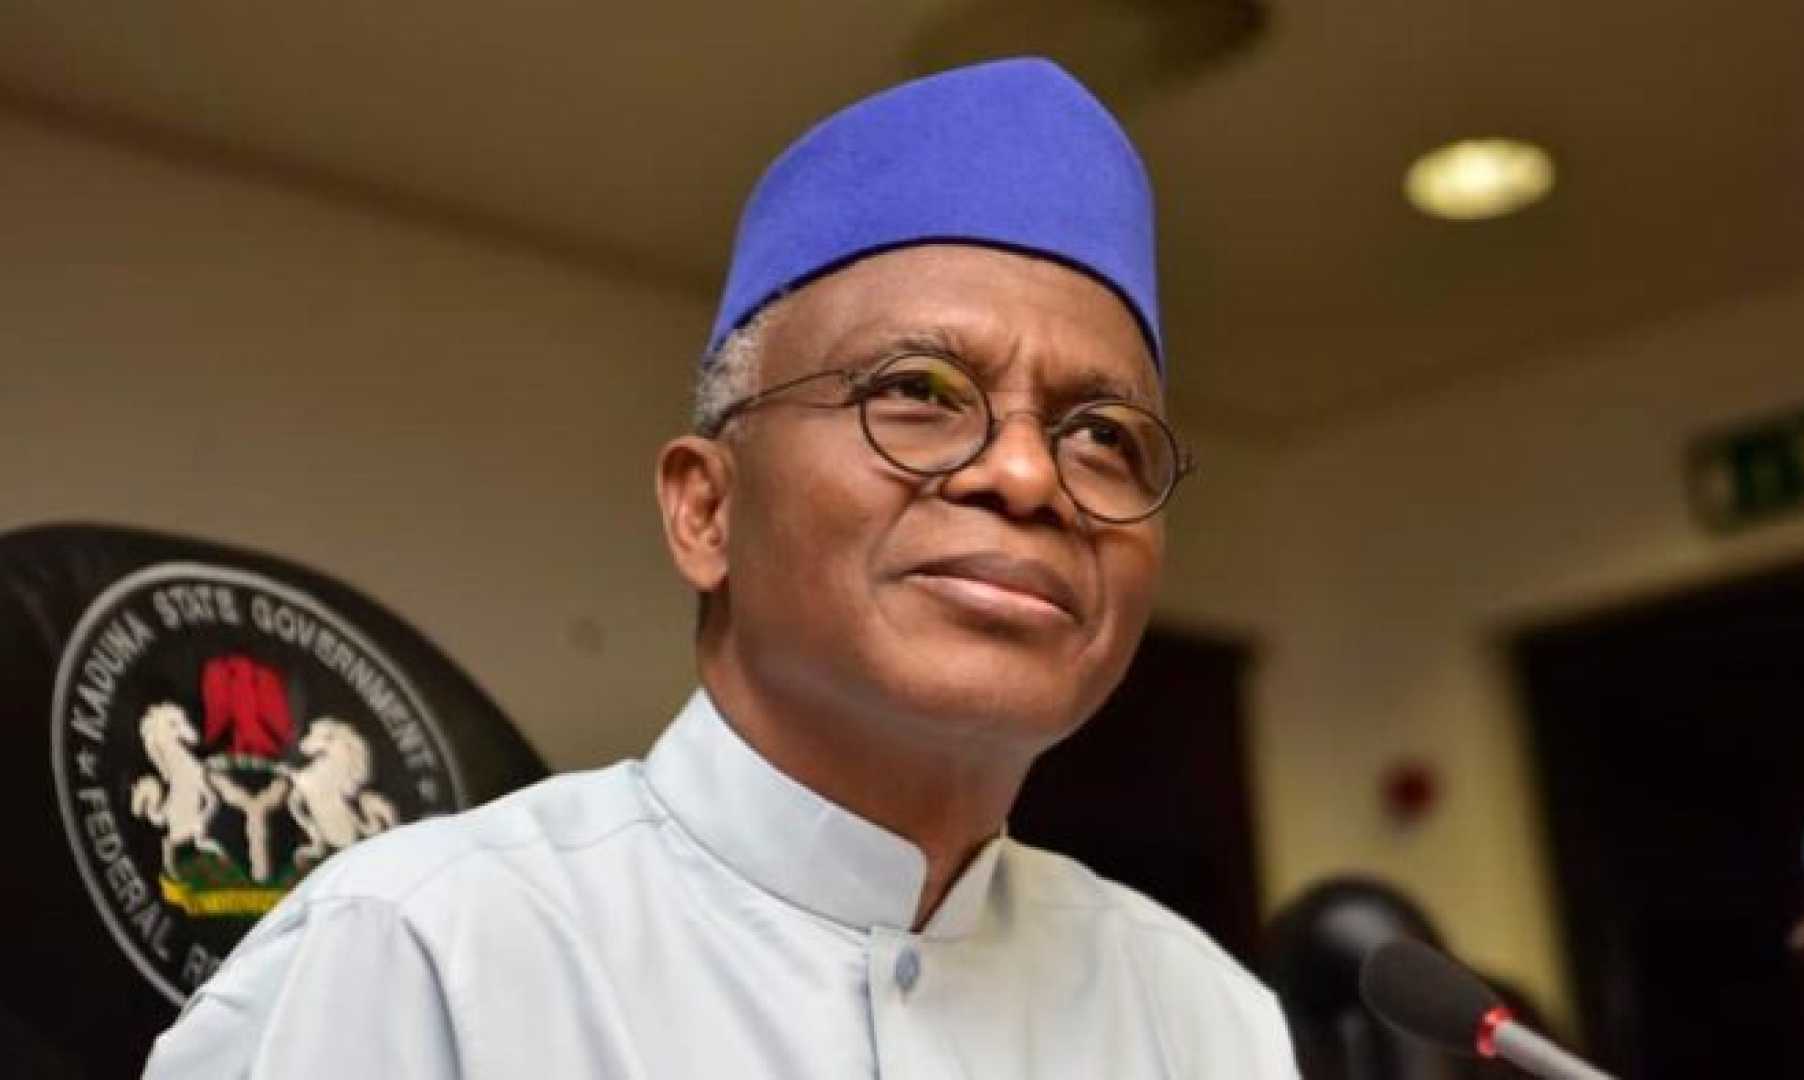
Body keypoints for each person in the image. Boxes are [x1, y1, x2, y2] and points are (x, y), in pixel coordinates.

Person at [144, 57, 1299, 1077]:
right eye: (918, 391)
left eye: (1103, 435)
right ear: (706, 508)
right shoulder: (426, 957)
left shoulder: (1201, 1018)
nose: (1028, 475)